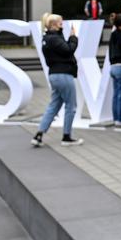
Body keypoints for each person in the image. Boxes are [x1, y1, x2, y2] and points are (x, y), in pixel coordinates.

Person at [31, 13, 84, 147]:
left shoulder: (47, 38)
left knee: (54, 105)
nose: (63, 25)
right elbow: (69, 50)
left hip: (54, 75)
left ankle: (39, 135)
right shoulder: (54, 38)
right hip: (63, 75)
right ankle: (66, 137)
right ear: (54, 25)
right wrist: (73, 37)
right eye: (61, 23)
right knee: (71, 106)